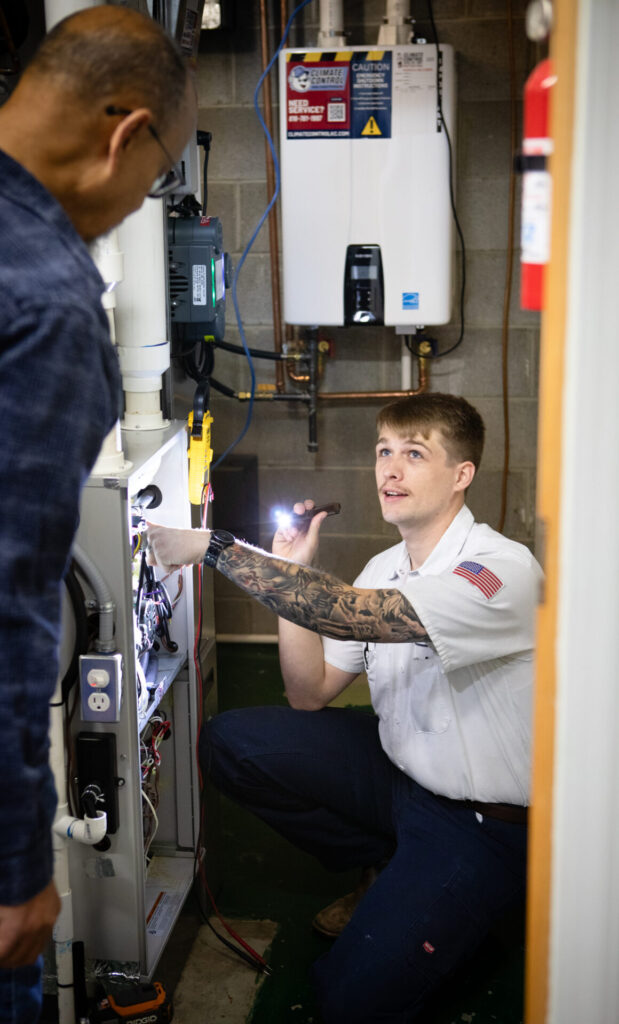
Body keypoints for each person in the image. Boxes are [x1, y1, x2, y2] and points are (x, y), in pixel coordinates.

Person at [0, 7, 196, 1022]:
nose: (139, 202)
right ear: (122, 135)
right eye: (156, 178)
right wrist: (13, 863)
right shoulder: (41, 306)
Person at [146, 393, 542, 1023]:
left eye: (415, 454)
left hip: (479, 821)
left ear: (461, 474)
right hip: (399, 777)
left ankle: (451, 901)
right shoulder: (383, 566)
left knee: (347, 1001)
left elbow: (342, 611)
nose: (390, 469)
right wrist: (291, 570)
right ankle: (383, 865)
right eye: (384, 451)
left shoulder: (498, 570)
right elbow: (310, 691)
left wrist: (216, 549)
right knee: (232, 743)